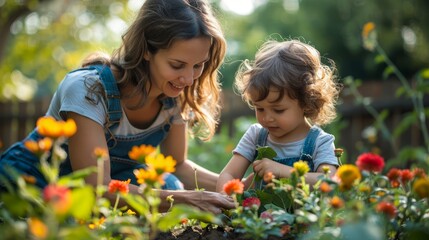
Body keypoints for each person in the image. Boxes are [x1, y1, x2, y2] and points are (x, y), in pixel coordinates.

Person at [0, 0, 234, 214]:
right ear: (146, 50)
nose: (189, 79)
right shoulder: (88, 89)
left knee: (169, 183)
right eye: (177, 65)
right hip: (31, 183)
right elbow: (96, 187)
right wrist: (187, 199)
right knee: (172, 192)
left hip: (90, 193)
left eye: (198, 66)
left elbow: (178, 164)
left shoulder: (173, 97)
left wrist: (236, 188)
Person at [217, 38, 341, 192]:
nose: (267, 118)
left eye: (278, 110)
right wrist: (226, 197)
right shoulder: (256, 135)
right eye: (260, 109)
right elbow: (229, 174)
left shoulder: (319, 142)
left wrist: (283, 171)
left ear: (306, 101)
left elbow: (329, 182)